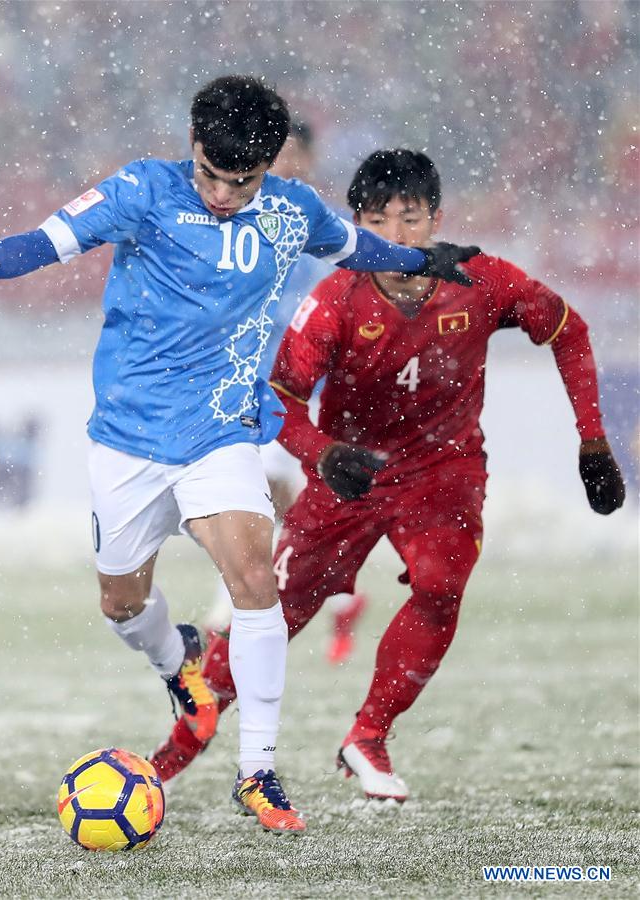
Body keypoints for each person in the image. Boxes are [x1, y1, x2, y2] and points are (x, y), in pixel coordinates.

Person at [0, 80, 478, 831]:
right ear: (192, 143)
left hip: (221, 429)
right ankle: (175, 660)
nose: (222, 195)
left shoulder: (291, 210)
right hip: (128, 439)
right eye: (210, 175)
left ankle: (258, 771)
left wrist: (417, 257)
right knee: (120, 604)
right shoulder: (142, 191)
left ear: (267, 166)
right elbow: (47, 242)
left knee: (254, 580)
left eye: (242, 182)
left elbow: (354, 245)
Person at [149, 148, 626, 802]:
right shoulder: (335, 301)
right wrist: (322, 454)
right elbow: (279, 396)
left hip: (442, 471)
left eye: (410, 218)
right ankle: (176, 751)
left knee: (440, 585)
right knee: (271, 615)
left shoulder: (482, 281)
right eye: (378, 221)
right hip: (351, 475)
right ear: (358, 225)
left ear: (436, 220)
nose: (395, 235)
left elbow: (568, 329)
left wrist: (592, 441)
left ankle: (368, 735)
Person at [204, 118, 368, 664]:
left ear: (311, 161)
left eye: (293, 154)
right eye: (277, 156)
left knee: (259, 490)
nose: (285, 165)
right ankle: (334, 589)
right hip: (250, 382)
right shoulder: (241, 224)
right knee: (269, 495)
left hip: (307, 389)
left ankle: (232, 612)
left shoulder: (330, 229)